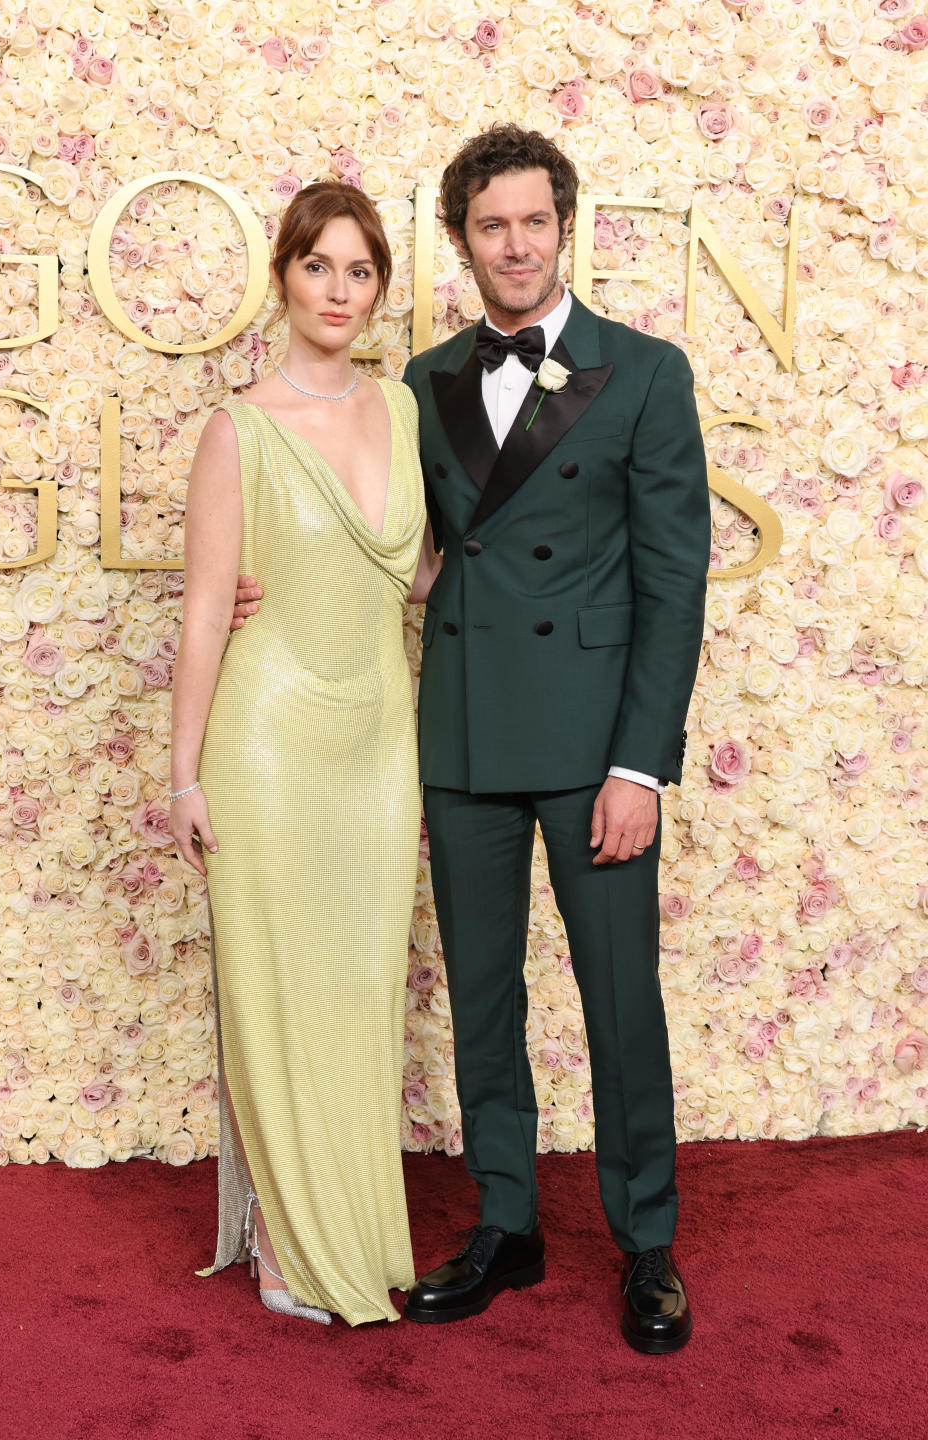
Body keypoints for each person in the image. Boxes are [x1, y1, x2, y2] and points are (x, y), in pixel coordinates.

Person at [232, 124, 710, 1353]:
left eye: (533, 222)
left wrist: (641, 763)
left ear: (565, 227)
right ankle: (509, 1221)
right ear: (461, 241)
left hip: (598, 749)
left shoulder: (647, 372)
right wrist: (258, 579)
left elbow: (675, 583)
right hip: (461, 738)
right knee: (482, 1000)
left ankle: (647, 1245)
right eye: (490, 225)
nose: (514, 244)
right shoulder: (423, 386)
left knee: (619, 1000)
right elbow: (384, 533)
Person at [170, 181, 439, 1326]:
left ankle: (350, 1222)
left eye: (361, 271)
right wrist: (182, 773)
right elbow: (198, 614)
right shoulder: (239, 428)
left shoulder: (407, 412)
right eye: (319, 266)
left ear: (380, 288)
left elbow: (416, 572)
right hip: (269, 741)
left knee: (359, 987)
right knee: (280, 990)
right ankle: (283, 1238)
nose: (339, 290)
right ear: (282, 275)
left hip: (379, 743)